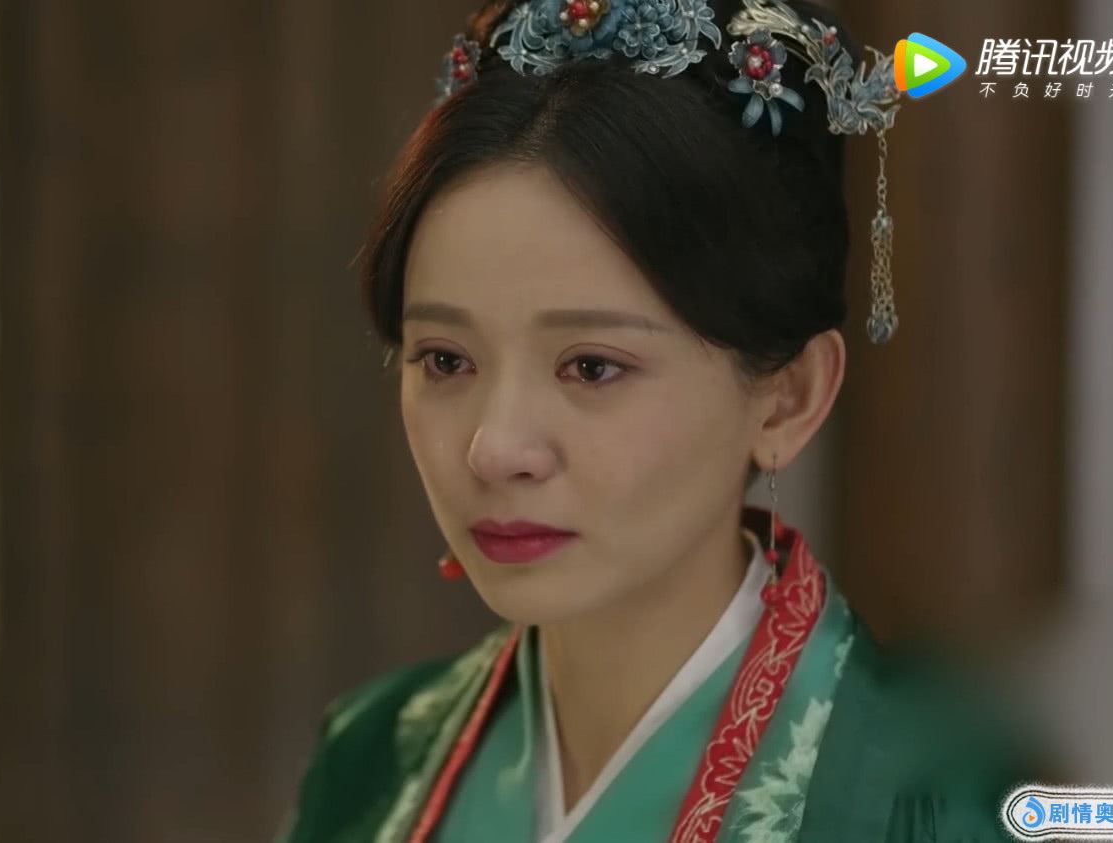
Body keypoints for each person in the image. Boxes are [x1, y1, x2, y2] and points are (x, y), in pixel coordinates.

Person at [278, 1, 1035, 840]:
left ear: (786, 396)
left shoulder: (930, 801)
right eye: (446, 360)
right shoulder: (373, 759)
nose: (495, 448)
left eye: (591, 366)